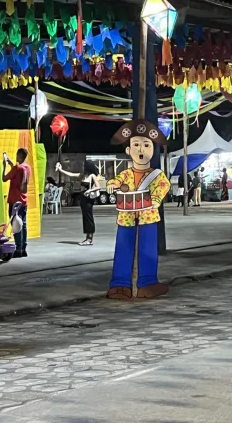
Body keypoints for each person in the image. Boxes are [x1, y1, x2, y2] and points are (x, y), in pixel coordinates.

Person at [105, 119, 171, 299]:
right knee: (123, 247)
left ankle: (147, 283)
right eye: (136, 145)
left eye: (146, 145)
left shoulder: (156, 175)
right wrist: (111, 184)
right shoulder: (125, 174)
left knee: (147, 248)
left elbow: (164, 185)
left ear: (152, 150)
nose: (141, 150)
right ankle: (120, 284)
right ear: (128, 150)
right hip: (126, 215)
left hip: (148, 215)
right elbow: (115, 181)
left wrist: (156, 198)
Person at [56, 161, 100, 245]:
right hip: (83, 198)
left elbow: (98, 186)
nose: (83, 166)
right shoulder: (82, 175)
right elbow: (71, 174)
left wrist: (90, 190)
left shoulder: (92, 176)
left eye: (84, 165)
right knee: (85, 217)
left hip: (89, 199)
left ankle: (89, 238)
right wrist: (60, 170)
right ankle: (87, 238)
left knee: (89, 217)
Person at [3, 148, 31, 257]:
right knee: (23, 224)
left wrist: (5, 165)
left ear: (19, 156)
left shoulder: (16, 168)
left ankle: (18, 249)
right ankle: (23, 248)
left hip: (14, 201)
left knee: (15, 225)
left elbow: (4, 178)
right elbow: (18, 173)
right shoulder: (27, 167)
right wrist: (11, 163)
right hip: (23, 201)